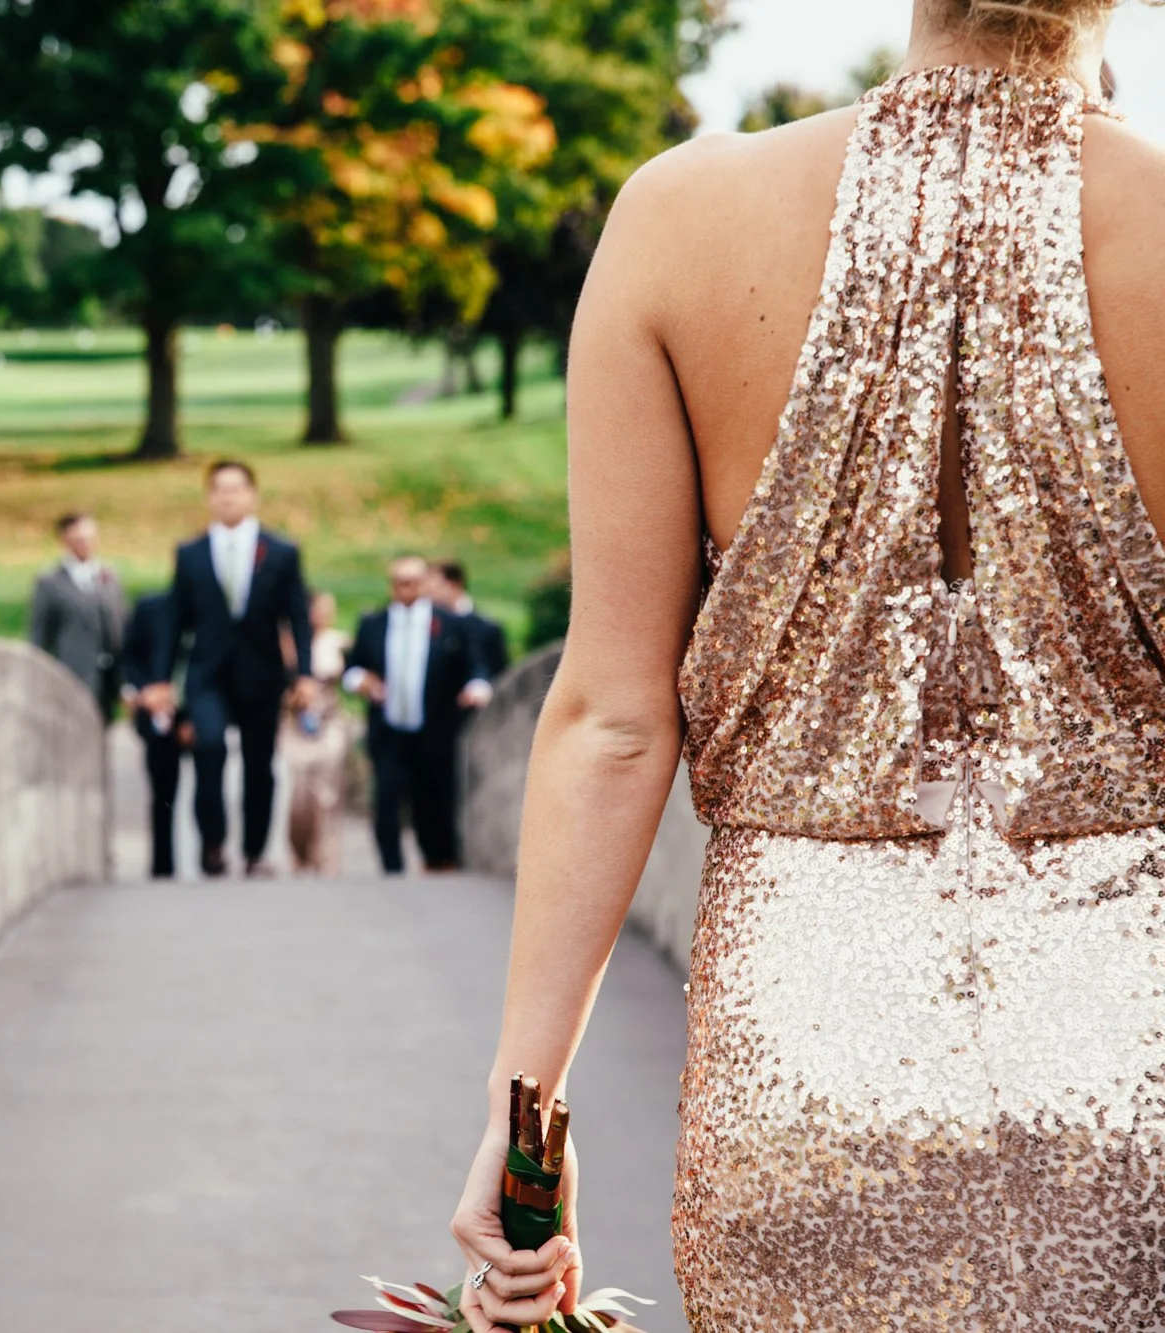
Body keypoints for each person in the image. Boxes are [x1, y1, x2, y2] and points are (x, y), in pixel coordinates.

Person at [446, 4, 1165, 1330]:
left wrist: (528, 1114)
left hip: (802, 1084)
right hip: (1131, 1070)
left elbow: (611, 719)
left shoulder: (683, 217)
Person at [151, 460, 314, 878]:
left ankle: (255, 851)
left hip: (261, 674)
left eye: (236, 488)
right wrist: (161, 679)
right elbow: (174, 620)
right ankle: (213, 843)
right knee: (209, 749)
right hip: (208, 674)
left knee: (259, 765)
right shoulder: (189, 554)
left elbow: (296, 617)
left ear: (252, 494)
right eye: (220, 489)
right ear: (209, 496)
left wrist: (305, 675)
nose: (228, 496)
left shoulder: (282, 551)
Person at [343, 556, 492, 874]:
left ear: (424, 583)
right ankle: (391, 868)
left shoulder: (450, 624)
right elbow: (352, 668)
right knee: (386, 799)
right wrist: (363, 683)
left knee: (433, 798)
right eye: (399, 582)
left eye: (412, 581)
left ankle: (437, 859)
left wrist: (477, 686)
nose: (405, 588)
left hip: (433, 728)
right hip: (389, 728)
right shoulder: (374, 623)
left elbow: (474, 665)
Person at [282, 591, 354, 875]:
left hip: (328, 723)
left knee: (328, 793)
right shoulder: (287, 644)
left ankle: (326, 857)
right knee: (298, 793)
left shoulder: (339, 642)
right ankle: (299, 851)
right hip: (294, 725)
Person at [29, 512, 125, 722]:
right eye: (80, 539)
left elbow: (120, 624)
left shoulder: (108, 576)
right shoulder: (50, 582)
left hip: (107, 680)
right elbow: (40, 635)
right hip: (72, 676)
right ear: (65, 540)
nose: (86, 544)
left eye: (90, 538)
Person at [121, 591, 185, 879]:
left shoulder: (208, 607)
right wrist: (145, 692)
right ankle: (163, 863)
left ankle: (212, 854)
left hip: (194, 709)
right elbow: (130, 656)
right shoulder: (150, 607)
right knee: (162, 790)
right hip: (156, 712)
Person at [431, 560, 510, 681]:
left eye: (433, 587)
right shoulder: (432, 624)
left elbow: (500, 674)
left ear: (452, 585)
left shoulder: (487, 627)